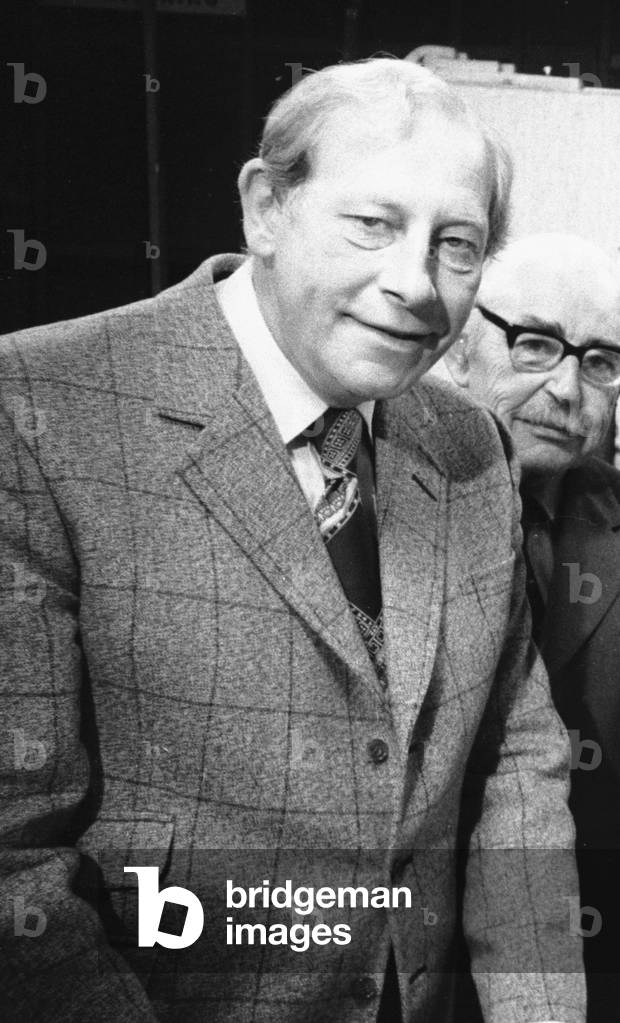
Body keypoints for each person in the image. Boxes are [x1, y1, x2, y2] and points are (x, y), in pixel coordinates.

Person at [0, 60, 583, 1023]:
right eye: (373, 224)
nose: (413, 284)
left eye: (457, 245)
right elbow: (16, 857)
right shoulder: (36, 409)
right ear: (266, 207)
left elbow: (519, 766)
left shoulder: (470, 443)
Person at [440, 232, 620, 1023]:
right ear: (458, 348)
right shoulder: (368, 504)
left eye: (601, 362)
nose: (567, 389)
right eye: (536, 344)